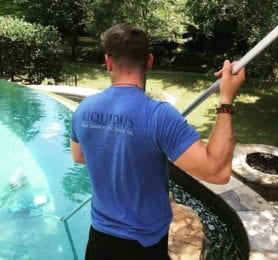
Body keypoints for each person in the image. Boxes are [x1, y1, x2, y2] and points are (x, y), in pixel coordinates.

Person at [70, 23, 245, 260]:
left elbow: (80, 156)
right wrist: (226, 98)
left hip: (99, 241)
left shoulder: (84, 109)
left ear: (108, 62)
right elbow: (217, 173)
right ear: (149, 61)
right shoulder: (159, 116)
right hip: (144, 247)